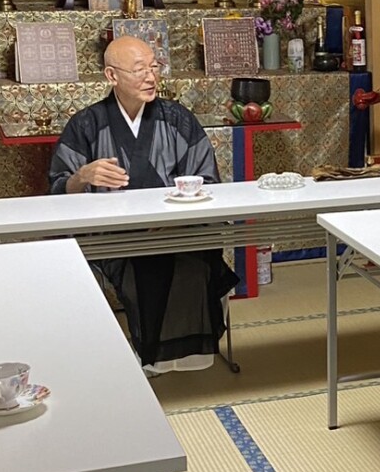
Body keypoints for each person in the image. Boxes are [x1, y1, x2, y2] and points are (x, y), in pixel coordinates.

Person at [49, 36, 238, 373]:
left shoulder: (177, 119)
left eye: (154, 67)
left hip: (177, 230)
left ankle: (182, 353)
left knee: (196, 266)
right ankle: (140, 356)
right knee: (134, 273)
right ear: (111, 76)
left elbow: (206, 179)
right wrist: (82, 176)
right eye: (139, 70)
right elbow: (58, 188)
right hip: (114, 238)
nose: (151, 77)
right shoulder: (87, 124)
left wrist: (174, 217)